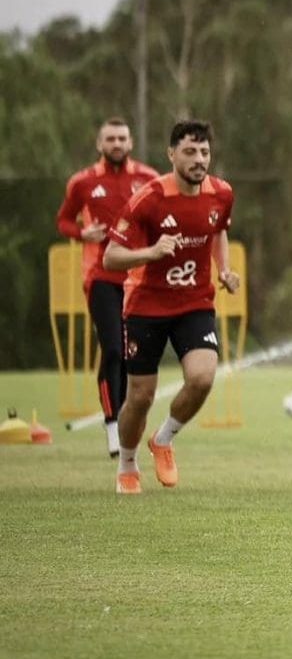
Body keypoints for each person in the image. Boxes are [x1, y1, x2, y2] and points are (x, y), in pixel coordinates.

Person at [104, 120, 239, 494]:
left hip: (195, 302)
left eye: (205, 152)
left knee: (202, 377)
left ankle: (162, 440)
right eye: (190, 152)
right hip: (146, 304)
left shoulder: (222, 194)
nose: (199, 160)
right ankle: (127, 465)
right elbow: (111, 258)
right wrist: (152, 251)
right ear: (171, 154)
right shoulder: (149, 197)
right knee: (141, 396)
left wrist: (224, 270)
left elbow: (219, 230)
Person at [56, 117, 159, 457]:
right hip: (100, 276)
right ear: (100, 144)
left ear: (130, 143)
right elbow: (63, 220)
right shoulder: (83, 182)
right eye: (110, 139)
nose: (117, 144)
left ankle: (129, 421)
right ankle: (112, 425)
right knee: (112, 349)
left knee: (133, 355)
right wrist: (80, 233)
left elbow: (162, 216)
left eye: (122, 138)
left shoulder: (147, 178)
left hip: (138, 279)